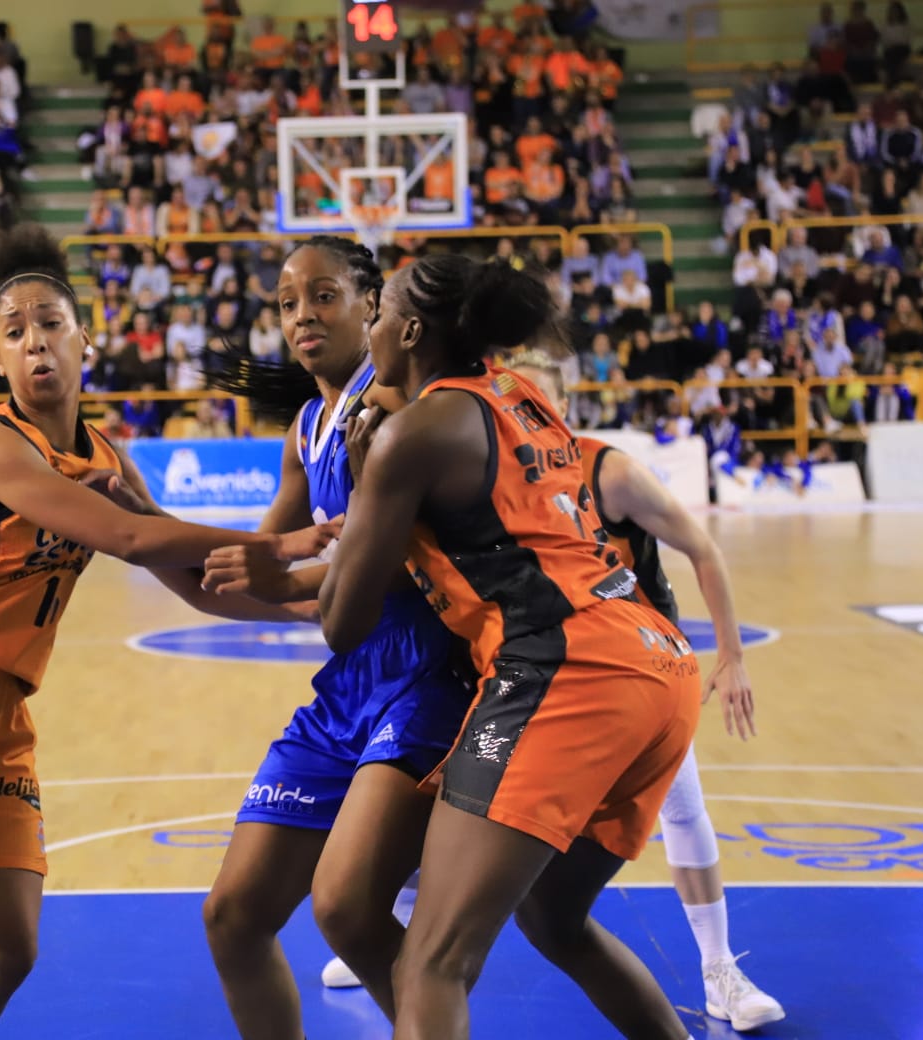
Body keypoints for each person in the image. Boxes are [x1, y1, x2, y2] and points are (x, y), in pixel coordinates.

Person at [0, 224, 331, 1040]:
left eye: (50, 324)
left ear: (85, 339)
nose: (35, 345)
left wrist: (315, 608)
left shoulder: (107, 454)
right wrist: (279, 543)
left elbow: (197, 585)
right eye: (15, 332)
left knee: (3, 947)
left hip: (0, 712)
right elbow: (134, 539)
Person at [314, 255, 701, 1040]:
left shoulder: (410, 439)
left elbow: (340, 624)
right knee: (556, 920)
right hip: (658, 662)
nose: (372, 328)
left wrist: (364, 490)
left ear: (412, 330)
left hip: (565, 673)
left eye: (381, 310)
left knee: (429, 964)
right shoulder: (520, 394)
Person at [196, 236, 476, 1036]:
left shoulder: (391, 408)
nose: (302, 316)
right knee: (233, 916)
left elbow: (374, 563)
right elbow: (252, 562)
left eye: (323, 296)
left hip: (426, 676)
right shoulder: (308, 427)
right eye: (287, 303)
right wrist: (137, 519)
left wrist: (278, 577)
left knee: (348, 908)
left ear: (371, 304)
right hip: (349, 684)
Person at [504, 349, 785, 1031]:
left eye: (539, 405)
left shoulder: (611, 473)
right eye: (514, 408)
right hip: (546, 671)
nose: (525, 420)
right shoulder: (495, 484)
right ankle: (390, 926)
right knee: (466, 793)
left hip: (639, 667)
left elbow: (703, 548)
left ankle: (720, 969)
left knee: (683, 809)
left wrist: (733, 656)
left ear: (566, 408)